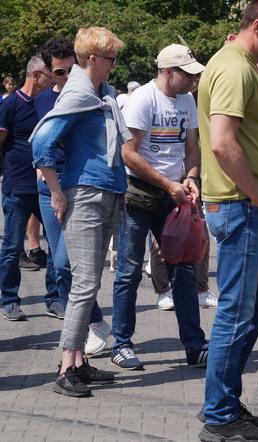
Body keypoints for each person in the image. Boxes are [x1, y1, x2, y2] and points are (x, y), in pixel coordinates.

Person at [197, 0, 258, 440]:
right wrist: (256, 193)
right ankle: (219, 414)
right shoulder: (235, 68)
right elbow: (221, 142)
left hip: (242, 204)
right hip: (239, 203)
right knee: (237, 312)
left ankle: (225, 401)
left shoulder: (237, 63)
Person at [31, 26, 127, 397]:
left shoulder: (102, 93)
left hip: (107, 191)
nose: (114, 65)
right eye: (111, 59)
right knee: (84, 283)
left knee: (89, 283)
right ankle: (66, 368)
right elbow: (41, 141)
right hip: (85, 192)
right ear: (92, 59)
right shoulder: (77, 92)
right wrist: (55, 191)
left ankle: (79, 363)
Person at [109, 44, 208, 371]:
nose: (194, 79)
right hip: (138, 197)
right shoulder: (143, 100)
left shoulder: (188, 100)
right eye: (188, 74)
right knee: (129, 271)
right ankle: (121, 343)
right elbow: (129, 154)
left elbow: (192, 147)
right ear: (169, 72)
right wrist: (169, 185)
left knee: (184, 269)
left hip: (173, 196)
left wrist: (192, 176)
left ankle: (194, 345)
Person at [35, 36, 111, 354]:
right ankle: (82, 337)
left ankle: (86, 333)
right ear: (50, 73)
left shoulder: (92, 93)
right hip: (52, 188)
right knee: (62, 264)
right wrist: (50, 182)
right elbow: (38, 143)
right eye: (59, 72)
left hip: (80, 186)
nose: (66, 76)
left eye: (71, 69)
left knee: (74, 265)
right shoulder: (44, 100)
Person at [0, 55, 61, 322]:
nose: (53, 80)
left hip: (46, 186)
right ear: (36, 75)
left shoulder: (46, 103)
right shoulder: (10, 104)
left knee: (56, 246)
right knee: (12, 247)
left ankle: (54, 298)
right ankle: (9, 299)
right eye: (50, 75)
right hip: (18, 186)